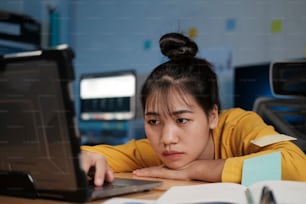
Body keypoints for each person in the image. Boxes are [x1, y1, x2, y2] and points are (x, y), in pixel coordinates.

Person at [81, 32, 306, 186]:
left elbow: (296, 165)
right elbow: (87, 155)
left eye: (182, 120)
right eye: (153, 121)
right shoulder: (156, 149)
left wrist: (198, 169)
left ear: (212, 116)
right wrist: (82, 156)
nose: (167, 139)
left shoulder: (240, 125)